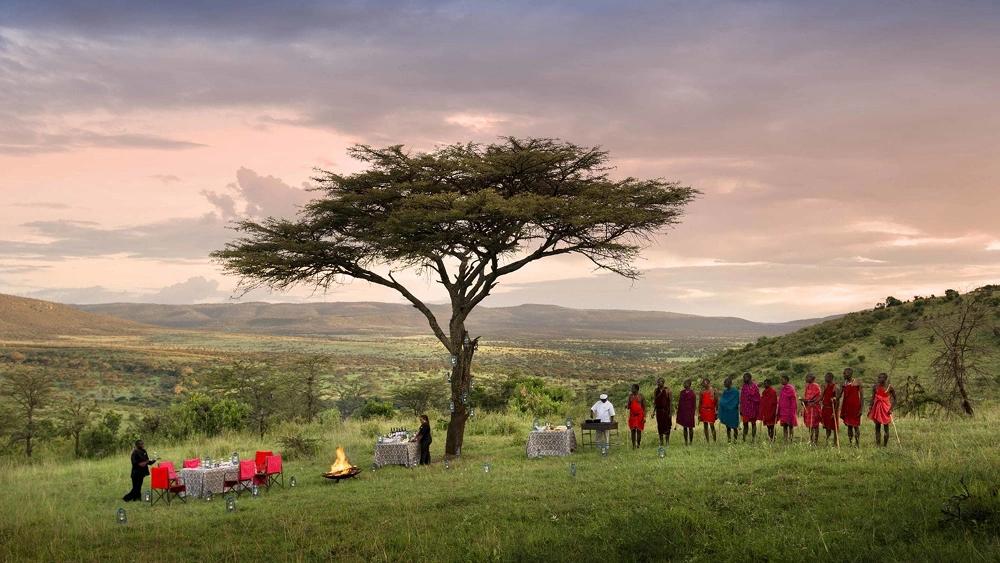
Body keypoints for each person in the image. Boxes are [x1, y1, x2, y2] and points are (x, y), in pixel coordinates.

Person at [867, 373, 897, 447]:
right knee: (877, 426)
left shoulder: (890, 387)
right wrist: (870, 407)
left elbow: (895, 399)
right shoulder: (875, 387)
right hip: (877, 408)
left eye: (881, 378)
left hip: (886, 409)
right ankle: (878, 445)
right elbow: (873, 398)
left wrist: (891, 409)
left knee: (886, 427)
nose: (879, 379)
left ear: (885, 378)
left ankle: (885, 446)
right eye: (878, 378)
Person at [839, 368, 864, 447]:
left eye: (845, 373)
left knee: (856, 426)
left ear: (849, 374)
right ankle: (850, 443)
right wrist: (833, 398)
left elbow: (862, 396)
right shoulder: (843, 384)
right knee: (849, 426)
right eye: (843, 373)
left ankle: (857, 443)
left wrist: (860, 409)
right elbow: (839, 396)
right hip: (846, 407)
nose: (843, 374)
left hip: (855, 407)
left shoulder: (857, 383)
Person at [739, 372, 761, 443]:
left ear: (749, 378)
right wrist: (741, 408)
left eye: (745, 377)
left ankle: (753, 439)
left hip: (753, 407)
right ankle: (744, 439)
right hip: (745, 408)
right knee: (745, 424)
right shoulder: (744, 386)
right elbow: (742, 398)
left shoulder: (755, 386)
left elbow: (758, 397)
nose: (744, 379)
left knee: (753, 424)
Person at [777, 375, 799, 444]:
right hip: (783, 410)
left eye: (782, 380)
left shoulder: (791, 389)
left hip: (789, 410)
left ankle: (791, 439)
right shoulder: (782, 389)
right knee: (784, 426)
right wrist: (779, 409)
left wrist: (793, 410)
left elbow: (793, 400)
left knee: (790, 426)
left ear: (786, 380)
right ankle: (785, 440)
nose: (781, 381)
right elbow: (780, 400)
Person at [801, 374, 822, 445]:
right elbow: (807, 397)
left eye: (807, 377)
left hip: (814, 406)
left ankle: (816, 440)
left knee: (815, 425)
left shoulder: (816, 386)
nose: (806, 378)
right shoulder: (807, 386)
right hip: (808, 407)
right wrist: (804, 401)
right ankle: (811, 439)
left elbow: (818, 396)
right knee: (810, 425)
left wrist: (807, 400)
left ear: (812, 378)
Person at [651, 377, 673, 446]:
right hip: (659, 411)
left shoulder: (668, 390)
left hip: (666, 410)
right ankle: (661, 442)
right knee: (660, 426)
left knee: (667, 426)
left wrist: (670, 412)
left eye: (659, 382)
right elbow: (655, 402)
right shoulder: (655, 390)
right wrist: (653, 412)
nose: (658, 384)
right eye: (657, 382)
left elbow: (670, 402)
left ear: (663, 382)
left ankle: (667, 442)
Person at [718, 378, 740, 443]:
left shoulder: (735, 391)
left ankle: (735, 440)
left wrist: (731, 407)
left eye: (725, 382)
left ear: (729, 383)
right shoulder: (725, 391)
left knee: (734, 426)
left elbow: (736, 401)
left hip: (733, 411)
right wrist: (724, 405)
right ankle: (729, 440)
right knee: (728, 426)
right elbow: (722, 400)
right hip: (726, 411)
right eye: (724, 382)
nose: (724, 384)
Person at [676, 380, 696, 446]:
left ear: (689, 384)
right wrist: (679, 411)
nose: (684, 384)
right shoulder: (682, 392)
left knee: (690, 427)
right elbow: (680, 402)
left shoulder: (692, 393)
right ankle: (686, 442)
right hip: (683, 412)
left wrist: (692, 413)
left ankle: (690, 442)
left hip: (690, 412)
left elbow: (694, 404)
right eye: (684, 383)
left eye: (685, 383)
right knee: (684, 427)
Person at [698, 379, 719, 443]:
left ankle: (714, 440)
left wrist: (717, 410)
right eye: (702, 383)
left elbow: (716, 401)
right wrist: (699, 413)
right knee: (705, 425)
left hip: (711, 410)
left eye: (704, 383)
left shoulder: (714, 390)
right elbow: (700, 402)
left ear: (708, 383)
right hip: (704, 410)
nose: (703, 384)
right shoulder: (702, 391)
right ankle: (707, 441)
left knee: (712, 425)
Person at [626, 384, 647, 449]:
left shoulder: (641, 396)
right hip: (632, 415)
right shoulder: (630, 396)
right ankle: (633, 446)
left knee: (638, 430)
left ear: (636, 389)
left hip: (640, 416)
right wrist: (627, 406)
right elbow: (629, 406)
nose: (631, 390)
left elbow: (645, 406)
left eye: (633, 388)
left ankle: (638, 445)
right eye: (631, 388)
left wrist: (645, 417)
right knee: (632, 430)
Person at [821, 372, 839, 444]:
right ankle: (827, 440)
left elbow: (837, 401)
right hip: (825, 408)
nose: (825, 379)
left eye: (827, 377)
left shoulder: (836, 387)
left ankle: (835, 442)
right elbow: (822, 396)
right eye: (825, 377)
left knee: (834, 426)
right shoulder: (825, 385)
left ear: (831, 378)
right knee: (827, 426)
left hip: (832, 409)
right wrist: (813, 401)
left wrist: (834, 412)